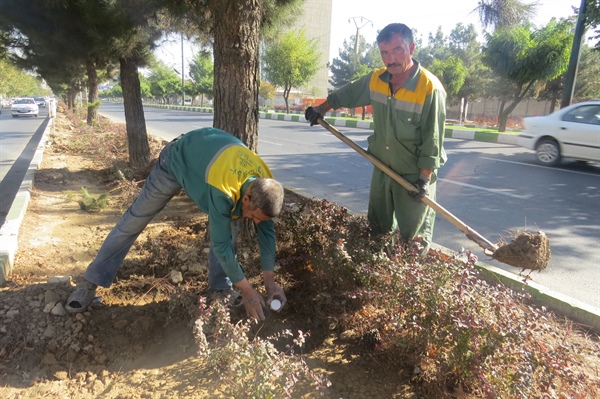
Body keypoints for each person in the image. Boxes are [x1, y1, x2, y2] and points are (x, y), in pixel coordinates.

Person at [65, 127, 286, 321]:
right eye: (254, 215)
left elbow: (266, 233)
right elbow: (220, 246)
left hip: (207, 160)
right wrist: (248, 291)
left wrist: (270, 283)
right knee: (135, 219)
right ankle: (90, 281)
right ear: (246, 198)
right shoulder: (224, 191)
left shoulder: (265, 187)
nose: (256, 222)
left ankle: (221, 289)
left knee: (229, 226)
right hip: (176, 160)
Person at [305, 23, 447, 254]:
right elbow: (347, 94)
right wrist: (322, 108)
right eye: (384, 52)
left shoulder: (430, 88)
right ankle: (378, 273)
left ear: (411, 47)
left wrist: (424, 180)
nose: (391, 59)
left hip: (413, 174)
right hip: (383, 166)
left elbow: (433, 139)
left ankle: (409, 280)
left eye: (397, 50)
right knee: (378, 227)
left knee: (413, 236)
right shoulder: (376, 80)